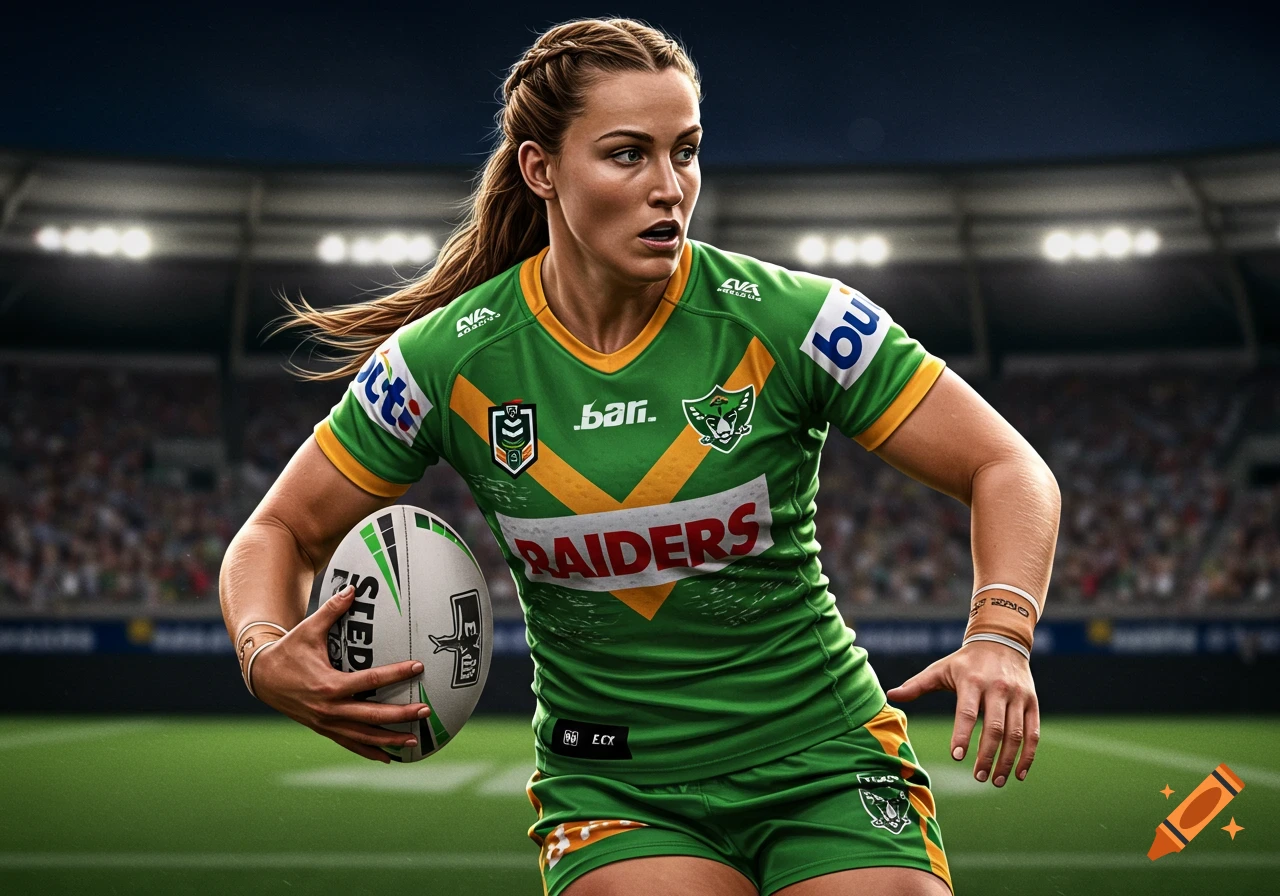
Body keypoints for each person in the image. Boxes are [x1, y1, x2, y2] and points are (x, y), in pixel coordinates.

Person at [219, 17, 1060, 896]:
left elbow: (1006, 465)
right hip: (611, 779)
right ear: (541, 169)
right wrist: (263, 648)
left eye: (685, 152)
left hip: (823, 754)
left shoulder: (790, 319)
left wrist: (1001, 634)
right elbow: (279, 529)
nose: (670, 188)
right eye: (628, 155)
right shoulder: (445, 360)